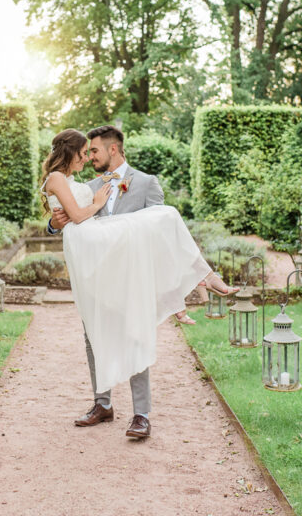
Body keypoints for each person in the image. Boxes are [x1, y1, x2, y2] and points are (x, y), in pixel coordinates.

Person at [43, 126, 237, 439]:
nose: (89, 157)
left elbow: (158, 235)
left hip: (130, 274)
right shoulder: (86, 184)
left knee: (136, 333)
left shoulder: (146, 183)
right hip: (98, 271)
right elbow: (64, 217)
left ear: (113, 149)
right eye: (86, 152)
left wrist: (168, 288)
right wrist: (54, 224)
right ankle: (102, 404)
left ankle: (141, 415)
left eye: (94, 151)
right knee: (93, 335)